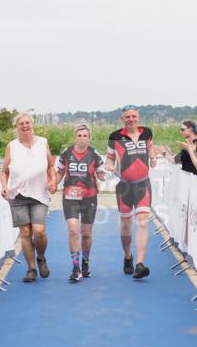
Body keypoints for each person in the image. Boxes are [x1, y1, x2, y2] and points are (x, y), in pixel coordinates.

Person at [0, 114, 56, 283]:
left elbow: (51, 166)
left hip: (39, 194)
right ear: (17, 127)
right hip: (17, 195)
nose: (25, 126)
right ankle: (31, 268)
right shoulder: (12, 146)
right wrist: (4, 186)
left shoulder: (43, 143)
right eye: (21, 123)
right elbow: (4, 171)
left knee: (39, 231)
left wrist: (53, 180)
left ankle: (41, 258)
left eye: (27, 122)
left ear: (32, 125)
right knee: (25, 233)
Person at [106, 105, 158, 279]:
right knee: (126, 225)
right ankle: (128, 256)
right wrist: (109, 165)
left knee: (142, 223)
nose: (131, 119)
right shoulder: (115, 136)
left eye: (133, 116)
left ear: (138, 117)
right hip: (125, 187)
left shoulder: (147, 133)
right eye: (127, 116)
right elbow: (110, 157)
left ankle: (140, 264)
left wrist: (153, 157)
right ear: (122, 119)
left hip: (143, 185)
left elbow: (150, 147)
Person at [55, 123, 106, 282]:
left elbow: (101, 174)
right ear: (75, 137)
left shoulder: (94, 154)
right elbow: (60, 172)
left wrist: (108, 173)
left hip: (89, 197)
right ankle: (75, 267)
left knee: (86, 233)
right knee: (72, 230)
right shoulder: (66, 153)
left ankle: (85, 262)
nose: (82, 138)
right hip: (70, 196)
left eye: (85, 136)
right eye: (79, 135)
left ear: (89, 138)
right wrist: (53, 183)